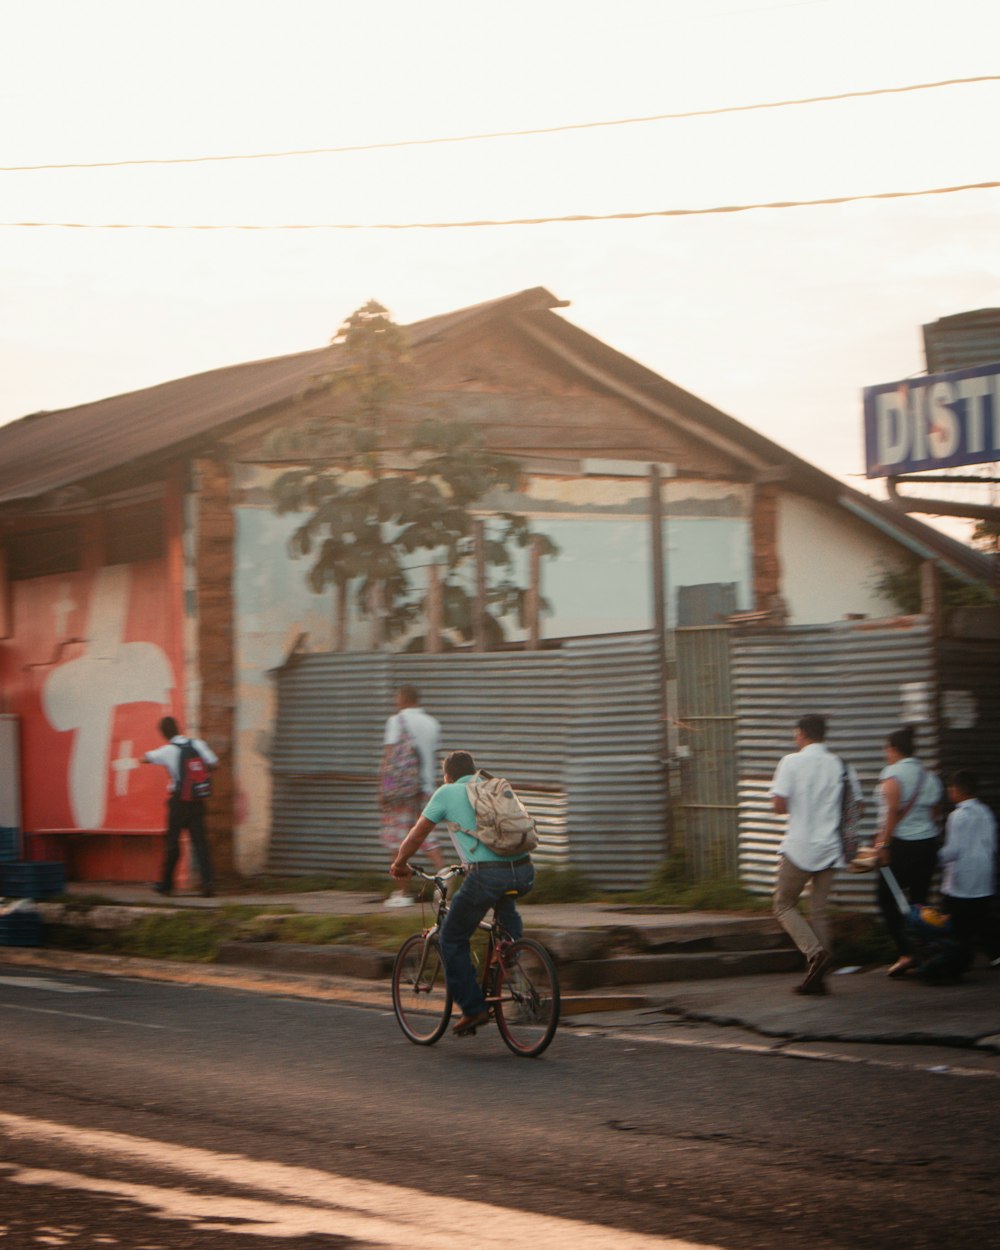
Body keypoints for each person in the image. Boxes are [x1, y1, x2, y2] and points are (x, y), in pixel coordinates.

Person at [390, 749, 535, 1036]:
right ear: (473, 770)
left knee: (451, 937)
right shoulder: (489, 786)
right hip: (524, 869)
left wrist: (399, 863)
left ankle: (473, 1008)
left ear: (448, 775)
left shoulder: (446, 792)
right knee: (505, 913)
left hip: (487, 875)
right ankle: (510, 954)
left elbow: (417, 834)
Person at [770, 714, 863, 996]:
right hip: (830, 848)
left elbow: (778, 806)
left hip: (799, 847)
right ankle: (820, 978)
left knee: (783, 904)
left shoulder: (790, 762)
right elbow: (858, 806)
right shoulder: (841, 765)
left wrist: (801, 803)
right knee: (819, 911)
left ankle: (814, 953)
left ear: (801, 734)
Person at [872, 726, 943, 978]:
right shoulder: (929, 776)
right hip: (928, 844)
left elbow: (891, 811)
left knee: (885, 897)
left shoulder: (893, 774)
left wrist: (883, 844)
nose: (885, 754)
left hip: (901, 846)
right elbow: (935, 813)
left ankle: (906, 952)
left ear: (893, 749)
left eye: (886, 749)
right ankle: (927, 952)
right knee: (919, 901)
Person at [380, 685, 443, 907]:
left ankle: (402, 894)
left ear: (404, 698)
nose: (395, 701)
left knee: (397, 841)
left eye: (396, 697)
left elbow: (389, 760)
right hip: (425, 790)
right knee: (427, 838)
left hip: (401, 793)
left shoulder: (396, 722)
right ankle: (446, 885)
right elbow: (433, 758)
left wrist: (384, 790)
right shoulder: (433, 724)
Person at [144, 716, 218, 897]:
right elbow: (214, 763)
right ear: (178, 727)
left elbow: (146, 758)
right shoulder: (197, 744)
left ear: (164, 733)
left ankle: (166, 884)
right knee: (200, 843)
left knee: (172, 843)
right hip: (197, 801)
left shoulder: (166, 751)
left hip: (178, 802)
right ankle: (208, 883)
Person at [936, 769, 998, 971]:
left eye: (951, 787)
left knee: (955, 920)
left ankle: (958, 960)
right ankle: (995, 955)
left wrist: (935, 858)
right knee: (981, 917)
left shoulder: (957, 816)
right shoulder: (985, 812)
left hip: (962, 877)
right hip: (984, 872)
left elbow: (954, 850)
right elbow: (992, 844)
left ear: (957, 790)